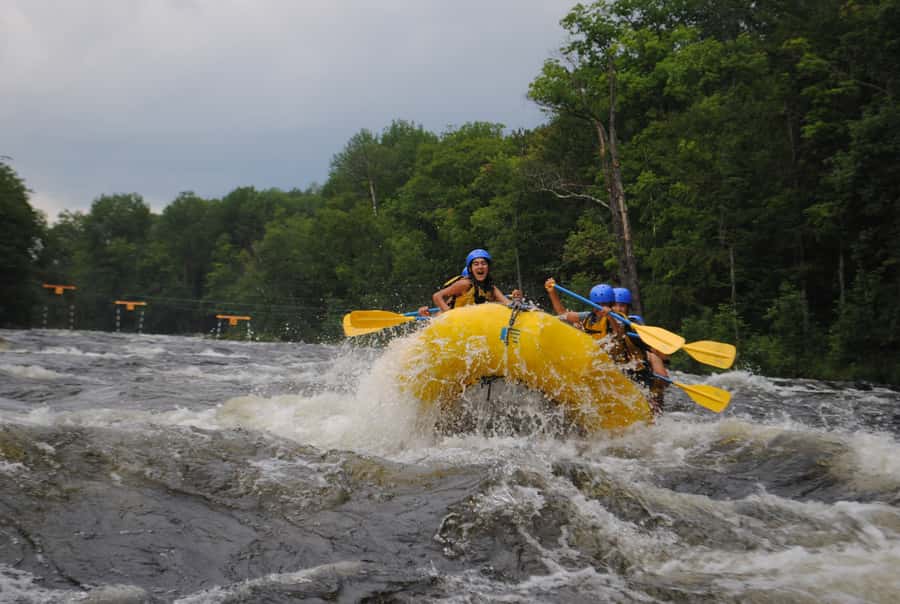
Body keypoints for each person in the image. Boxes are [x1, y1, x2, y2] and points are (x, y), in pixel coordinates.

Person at [609, 287, 670, 415]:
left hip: (640, 367)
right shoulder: (601, 320)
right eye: (614, 305)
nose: (618, 309)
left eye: (622, 306)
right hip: (619, 367)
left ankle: (655, 413)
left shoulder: (634, 326)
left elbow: (658, 353)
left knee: (659, 375)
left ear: (627, 308)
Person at [419, 249, 514, 315]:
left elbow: (507, 303)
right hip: (448, 320)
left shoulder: (491, 288)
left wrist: (516, 303)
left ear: (488, 268)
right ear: (470, 269)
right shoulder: (465, 284)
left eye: (483, 263)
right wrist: (449, 314)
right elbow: (437, 296)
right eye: (476, 264)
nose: (480, 267)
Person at [544, 278, 614, 338]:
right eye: (597, 304)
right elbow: (562, 313)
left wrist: (611, 318)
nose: (600, 307)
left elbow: (618, 335)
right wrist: (552, 292)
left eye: (604, 304)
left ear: (610, 304)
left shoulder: (616, 318)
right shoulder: (587, 316)